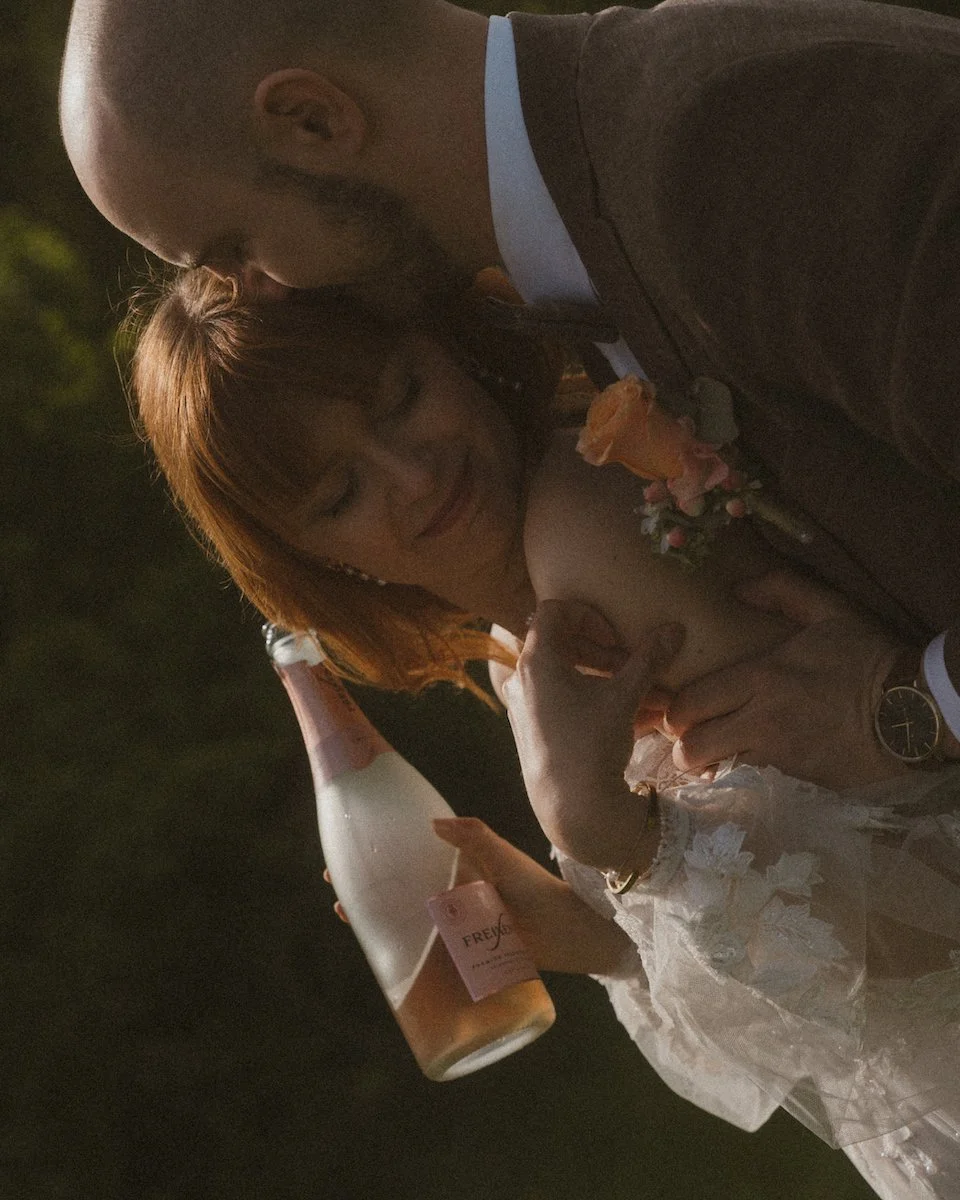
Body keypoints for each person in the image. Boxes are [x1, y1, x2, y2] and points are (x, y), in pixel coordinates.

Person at [129, 268, 960, 1199]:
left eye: (400, 396)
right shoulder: (515, 652)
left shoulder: (581, 533)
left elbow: (933, 946)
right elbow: (810, 1019)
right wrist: (603, 937)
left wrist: (630, 843)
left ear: (440, 346)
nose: (414, 475)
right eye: (338, 494)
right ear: (312, 557)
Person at [59, 0, 960, 795]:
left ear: (314, 119)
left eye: (234, 248)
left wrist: (910, 710)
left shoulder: (729, 137)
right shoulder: (590, 245)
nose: (260, 295)